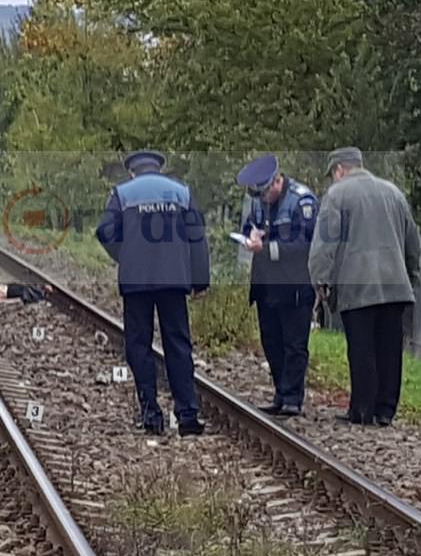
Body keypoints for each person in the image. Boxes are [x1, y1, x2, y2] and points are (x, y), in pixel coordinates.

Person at [97, 150, 210, 436]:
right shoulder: (181, 192)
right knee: (178, 344)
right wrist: (200, 280)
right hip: (174, 280)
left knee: (139, 345)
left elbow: (104, 231)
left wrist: (126, 254)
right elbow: (197, 237)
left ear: (132, 171)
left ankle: (151, 414)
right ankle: (187, 415)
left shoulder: (122, 193)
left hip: (136, 282)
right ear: (160, 169)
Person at [309, 147, 421, 427]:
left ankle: (362, 409)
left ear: (339, 170)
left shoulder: (337, 195)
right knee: (389, 348)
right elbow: (413, 240)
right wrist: (413, 274)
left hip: (357, 285)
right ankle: (385, 410)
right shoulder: (394, 193)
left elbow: (325, 244)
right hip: (395, 283)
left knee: (362, 348)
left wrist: (320, 281)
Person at [235, 154, 317, 417]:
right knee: (271, 340)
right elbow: (251, 223)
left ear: (276, 182)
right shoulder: (259, 201)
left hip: (294, 283)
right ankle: (281, 391)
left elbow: (305, 244)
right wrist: (251, 233)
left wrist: (267, 247)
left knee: (294, 343)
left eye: (264, 193)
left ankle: (293, 396)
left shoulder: (302, 200)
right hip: (267, 283)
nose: (261, 200)